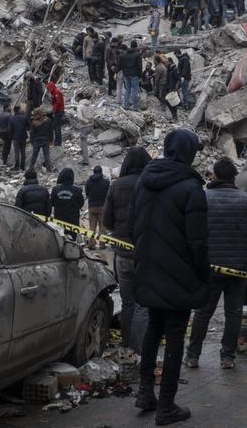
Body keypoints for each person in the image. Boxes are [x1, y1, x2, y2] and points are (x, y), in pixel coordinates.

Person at [130, 129, 209, 425]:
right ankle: (166, 406)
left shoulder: (143, 182)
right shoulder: (191, 189)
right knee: (175, 338)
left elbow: (131, 227)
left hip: (147, 270)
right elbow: (198, 242)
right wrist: (203, 276)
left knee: (153, 329)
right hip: (179, 275)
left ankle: (145, 393)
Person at [185, 157, 247, 370]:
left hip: (210, 267)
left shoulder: (203, 197)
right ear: (234, 176)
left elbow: (195, 232)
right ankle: (227, 356)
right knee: (234, 313)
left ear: (214, 176)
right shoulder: (246, 199)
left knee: (203, 312)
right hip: (239, 267)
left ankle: (192, 355)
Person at [104, 146, 152, 349]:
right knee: (143, 304)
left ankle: (126, 348)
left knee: (127, 302)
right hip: (146, 253)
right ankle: (138, 349)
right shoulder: (151, 184)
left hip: (122, 254)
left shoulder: (117, 185)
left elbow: (107, 220)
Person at [51, 168, 85, 240]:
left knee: (60, 238)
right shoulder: (77, 190)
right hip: (73, 219)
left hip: (59, 218)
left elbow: (52, 202)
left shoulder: (55, 189)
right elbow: (81, 203)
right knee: (72, 240)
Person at [85, 165, 110, 249]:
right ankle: (102, 245)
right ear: (101, 172)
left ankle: (91, 244)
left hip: (92, 206)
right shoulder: (106, 182)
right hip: (102, 206)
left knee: (92, 226)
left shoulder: (88, 182)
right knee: (102, 226)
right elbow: (108, 195)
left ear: (94, 172)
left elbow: (87, 193)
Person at [121, 41, 143, 110]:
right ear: (136, 46)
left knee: (127, 89)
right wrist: (140, 75)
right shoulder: (137, 55)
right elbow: (139, 66)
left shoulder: (124, 54)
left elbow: (122, 65)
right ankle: (134, 106)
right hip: (134, 74)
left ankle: (126, 105)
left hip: (126, 74)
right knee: (134, 90)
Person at [8, 105, 30, 171]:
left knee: (17, 152)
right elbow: (28, 127)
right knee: (23, 152)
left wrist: (11, 137)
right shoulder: (25, 117)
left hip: (15, 137)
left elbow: (10, 129)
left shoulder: (11, 118)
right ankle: (22, 166)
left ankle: (16, 166)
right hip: (23, 137)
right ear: (19, 110)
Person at [46, 81, 65, 146]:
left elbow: (58, 103)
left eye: (49, 88)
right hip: (58, 110)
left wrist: (54, 111)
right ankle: (57, 141)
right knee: (56, 127)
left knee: (57, 127)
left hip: (58, 111)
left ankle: (58, 142)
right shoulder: (55, 93)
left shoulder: (56, 93)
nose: (48, 90)